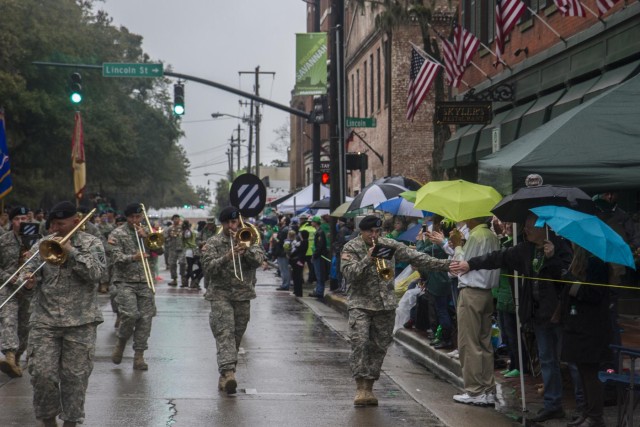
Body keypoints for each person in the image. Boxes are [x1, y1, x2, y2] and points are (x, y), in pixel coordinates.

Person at [450, 214, 573, 420]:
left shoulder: (561, 246)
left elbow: (566, 276)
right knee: (547, 360)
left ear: (544, 227)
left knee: (571, 361)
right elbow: (498, 257)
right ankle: (553, 404)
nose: (525, 229)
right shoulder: (526, 249)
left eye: (529, 225)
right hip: (539, 314)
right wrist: (470, 264)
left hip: (559, 313)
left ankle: (585, 409)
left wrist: (552, 259)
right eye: (525, 225)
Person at [341, 215, 452, 407]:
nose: (375, 235)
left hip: (385, 305)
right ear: (362, 231)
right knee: (360, 342)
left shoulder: (388, 245)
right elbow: (350, 274)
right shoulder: (352, 247)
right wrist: (369, 258)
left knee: (379, 346)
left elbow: (417, 257)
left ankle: (369, 386)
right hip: (361, 304)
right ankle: (360, 387)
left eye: (378, 231)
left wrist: (448, 264)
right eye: (371, 232)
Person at [23, 201, 106, 427]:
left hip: (81, 322)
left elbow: (97, 273)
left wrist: (70, 251)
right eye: (53, 224)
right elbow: (28, 271)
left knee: (75, 378)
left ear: (75, 222)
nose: (55, 229)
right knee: (41, 373)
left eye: (61, 224)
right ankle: (48, 419)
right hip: (45, 321)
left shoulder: (93, 244)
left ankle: (71, 421)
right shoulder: (43, 244)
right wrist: (28, 281)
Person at [200, 206, 266, 394]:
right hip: (220, 294)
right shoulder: (212, 243)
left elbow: (259, 260)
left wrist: (246, 251)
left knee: (236, 335)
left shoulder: (249, 238)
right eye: (228, 223)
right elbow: (208, 268)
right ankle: (229, 373)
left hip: (243, 294)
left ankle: (225, 372)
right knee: (225, 333)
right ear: (223, 224)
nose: (232, 226)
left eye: (234, 222)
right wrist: (227, 256)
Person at [560, 245, 611, 427]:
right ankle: (587, 412)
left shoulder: (597, 263)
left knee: (591, 374)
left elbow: (594, 294)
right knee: (582, 371)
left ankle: (595, 417)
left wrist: (572, 282)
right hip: (578, 325)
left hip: (591, 327)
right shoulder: (581, 261)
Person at [109, 202, 156, 371]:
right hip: (125, 281)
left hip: (145, 280)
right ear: (127, 217)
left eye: (138, 217)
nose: (135, 220)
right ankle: (121, 342)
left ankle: (139, 356)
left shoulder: (149, 232)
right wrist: (133, 257)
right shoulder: (117, 233)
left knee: (145, 319)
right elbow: (115, 258)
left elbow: (160, 250)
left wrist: (147, 238)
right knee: (129, 315)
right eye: (132, 217)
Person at [0, 206, 33, 378]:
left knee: (25, 326)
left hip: (28, 288)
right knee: (8, 319)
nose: (21, 222)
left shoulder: (37, 241)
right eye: (17, 219)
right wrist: (7, 276)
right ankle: (10, 356)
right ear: (11, 221)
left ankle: (18, 357)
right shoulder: (3, 240)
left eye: (24, 218)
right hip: (7, 287)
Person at [309, 216, 329, 298]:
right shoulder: (318, 231)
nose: (311, 223)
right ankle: (318, 290)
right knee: (318, 274)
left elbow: (320, 246)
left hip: (319, 256)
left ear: (316, 223)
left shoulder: (320, 232)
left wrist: (315, 255)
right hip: (317, 255)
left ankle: (320, 291)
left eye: (312, 221)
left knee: (319, 274)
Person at [164, 214, 185, 286]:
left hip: (182, 248)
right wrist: (169, 238)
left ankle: (183, 279)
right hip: (172, 249)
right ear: (172, 220)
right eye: (175, 218)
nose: (176, 220)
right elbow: (165, 237)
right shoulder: (169, 228)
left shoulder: (183, 227)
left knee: (183, 263)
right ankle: (174, 279)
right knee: (172, 264)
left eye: (178, 218)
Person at [273, 215, 291, 291]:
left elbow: (280, 241)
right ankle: (285, 284)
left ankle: (285, 285)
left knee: (284, 269)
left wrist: (275, 237)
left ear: (285, 221)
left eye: (283, 219)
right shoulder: (284, 229)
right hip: (281, 252)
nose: (281, 220)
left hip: (282, 252)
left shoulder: (284, 230)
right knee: (283, 269)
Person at [290, 230, 309, 297]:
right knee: (295, 275)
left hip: (299, 261)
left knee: (298, 276)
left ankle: (298, 292)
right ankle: (296, 291)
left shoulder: (304, 242)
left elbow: (297, 251)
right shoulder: (302, 242)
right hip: (298, 260)